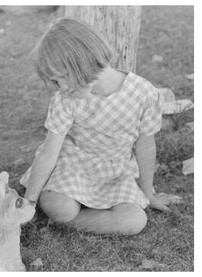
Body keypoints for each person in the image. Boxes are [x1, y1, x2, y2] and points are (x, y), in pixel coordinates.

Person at [19, 17, 182, 235]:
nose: (61, 87)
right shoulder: (65, 99)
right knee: (59, 207)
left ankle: (70, 219)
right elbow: (49, 152)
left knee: (134, 221)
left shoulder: (143, 93)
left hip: (115, 171)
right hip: (73, 165)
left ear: (83, 64)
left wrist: (148, 194)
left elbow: (145, 147)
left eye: (61, 79)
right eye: (55, 82)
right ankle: (59, 213)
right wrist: (28, 202)